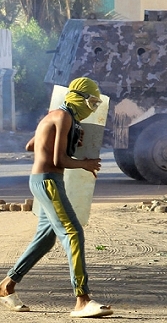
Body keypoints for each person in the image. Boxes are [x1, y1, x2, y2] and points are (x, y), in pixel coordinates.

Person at [0, 77, 113, 318]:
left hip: (44, 181)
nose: (92, 108)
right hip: (48, 181)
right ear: (79, 98)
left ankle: (6, 286)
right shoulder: (64, 117)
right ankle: (82, 300)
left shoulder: (56, 116)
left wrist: (67, 138)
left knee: (46, 238)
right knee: (73, 232)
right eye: (91, 102)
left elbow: (32, 145)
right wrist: (86, 163)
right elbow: (57, 160)